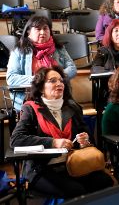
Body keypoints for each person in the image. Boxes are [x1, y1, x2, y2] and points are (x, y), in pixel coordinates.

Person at [10, 66, 113, 199]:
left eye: (61, 80)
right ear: (41, 87)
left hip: (73, 162)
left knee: (105, 181)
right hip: (42, 168)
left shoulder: (72, 106)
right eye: (52, 81)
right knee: (76, 190)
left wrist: (84, 141)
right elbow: (16, 139)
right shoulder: (30, 108)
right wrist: (52, 142)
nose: (59, 84)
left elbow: (87, 136)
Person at [6, 16, 77, 111]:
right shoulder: (19, 51)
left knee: (76, 109)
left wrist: (55, 79)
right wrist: (41, 79)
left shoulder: (59, 48)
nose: (42, 32)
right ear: (28, 32)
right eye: (38, 29)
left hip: (57, 95)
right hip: (29, 97)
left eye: (45, 28)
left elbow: (72, 68)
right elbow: (11, 78)